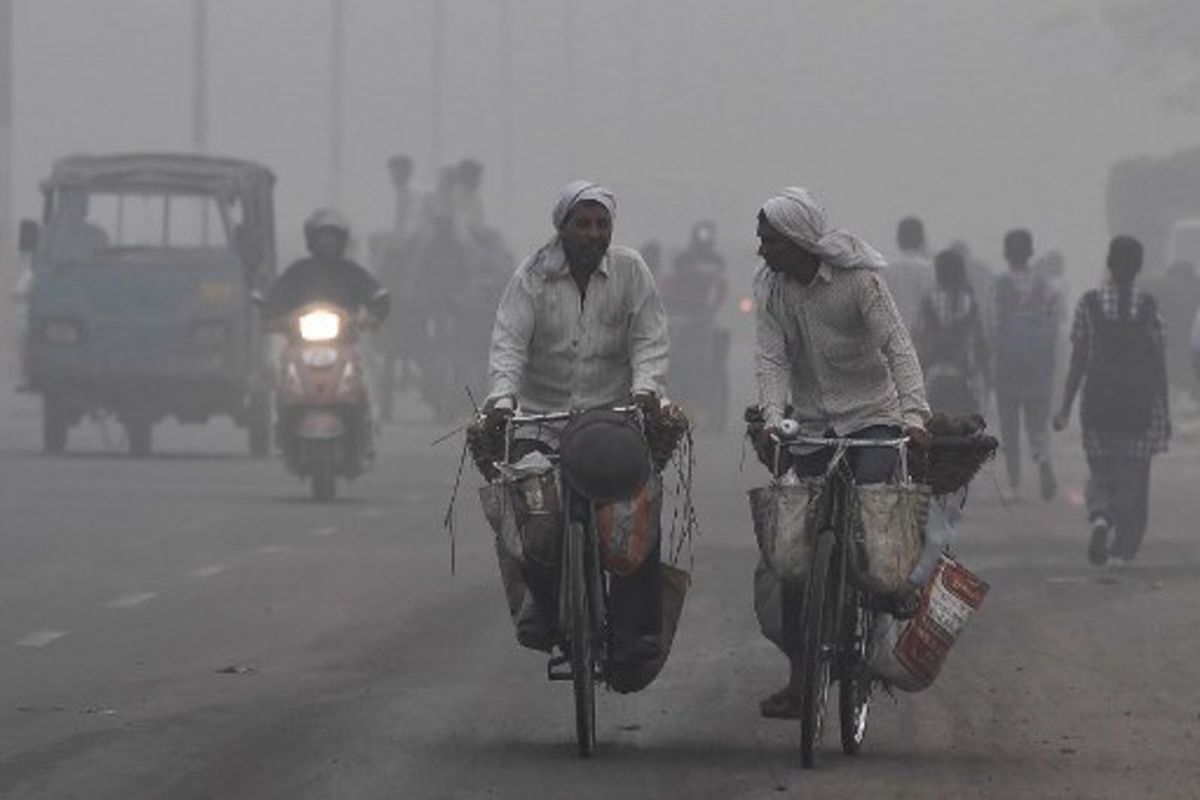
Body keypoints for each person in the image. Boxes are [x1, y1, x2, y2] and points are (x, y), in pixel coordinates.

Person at [750, 187, 930, 719]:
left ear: (799, 241)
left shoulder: (859, 281)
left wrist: (915, 417)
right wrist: (770, 418)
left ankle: (886, 595)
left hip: (872, 418)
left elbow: (898, 346)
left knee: (877, 509)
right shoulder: (773, 289)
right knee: (792, 556)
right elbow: (770, 358)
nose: (761, 251)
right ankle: (801, 677)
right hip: (809, 425)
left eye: (769, 241)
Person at [483, 179, 669, 661]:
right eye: (582, 224)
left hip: (612, 422)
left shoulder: (631, 270)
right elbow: (509, 344)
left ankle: (637, 629)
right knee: (534, 524)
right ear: (561, 228)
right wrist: (502, 400)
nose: (593, 234)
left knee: (636, 514)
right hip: (542, 421)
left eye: (601, 224)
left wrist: (646, 389)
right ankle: (543, 606)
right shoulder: (532, 276)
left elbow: (649, 339)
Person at [1053, 236, 1170, 566]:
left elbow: (1078, 361)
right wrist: (1166, 409)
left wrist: (1064, 407)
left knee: (1100, 469)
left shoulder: (1088, 304)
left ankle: (1100, 517)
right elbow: (1158, 361)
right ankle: (1120, 546)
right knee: (1131, 477)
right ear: (1138, 268)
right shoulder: (1149, 307)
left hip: (1098, 404)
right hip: (1138, 406)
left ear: (1109, 262)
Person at [991, 228, 1060, 502]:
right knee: (1036, 424)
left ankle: (1015, 486)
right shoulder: (1045, 287)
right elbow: (1054, 327)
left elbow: (993, 329)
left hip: (1008, 367)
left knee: (1009, 427)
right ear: (1031, 253)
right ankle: (1042, 459)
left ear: (1006, 254)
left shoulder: (999, 286)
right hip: (1038, 367)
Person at [263, 210, 390, 322]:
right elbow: (276, 296)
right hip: (299, 340)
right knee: (287, 350)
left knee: (357, 350)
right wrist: (276, 315)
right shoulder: (298, 271)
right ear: (312, 240)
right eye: (322, 237)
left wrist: (370, 315)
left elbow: (377, 295)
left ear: (342, 241)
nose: (328, 241)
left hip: (346, 340)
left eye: (333, 237)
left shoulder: (352, 272)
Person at [915, 248, 990, 415]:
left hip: (933, 378)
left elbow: (919, 338)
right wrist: (988, 377)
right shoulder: (972, 302)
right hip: (968, 379)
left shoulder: (928, 301)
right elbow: (982, 345)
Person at [884, 215, 934, 332]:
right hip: (922, 333)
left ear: (898, 239)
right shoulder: (930, 270)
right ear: (921, 239)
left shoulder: (887, 269)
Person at [387, 155, 416, 239]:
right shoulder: (402, 192)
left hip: (412, 238)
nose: (393, 175)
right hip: (406, 237)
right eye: (392, 171)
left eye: (397, 171)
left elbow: (406, 222)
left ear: (407, 172)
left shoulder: (412, 192)